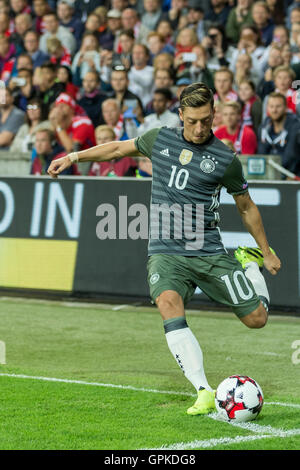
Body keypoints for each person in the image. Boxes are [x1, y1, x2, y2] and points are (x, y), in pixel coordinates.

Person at [47, 82, 281, 415]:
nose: (200, 128)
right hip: (166, 249)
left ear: (213, 114)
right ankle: (203, 389)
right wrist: (72, 156)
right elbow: (116, 149)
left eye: (206, 120)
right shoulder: (160, 139)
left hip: (208, 250)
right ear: (181, 114)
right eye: (192, 121)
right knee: (167, 301)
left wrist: (266, 250)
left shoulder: (225, 158)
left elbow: (245, 205)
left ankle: (250, 267)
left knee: (258, 319)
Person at [258, 92, 300, 176]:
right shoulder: (264, 126)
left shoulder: (296, 126)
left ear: (285, 108)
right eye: (271, 106)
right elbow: (261, 153)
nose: (274, 110)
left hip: (292, 173)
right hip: (270, 173)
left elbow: (291, 156)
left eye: (278, 106)